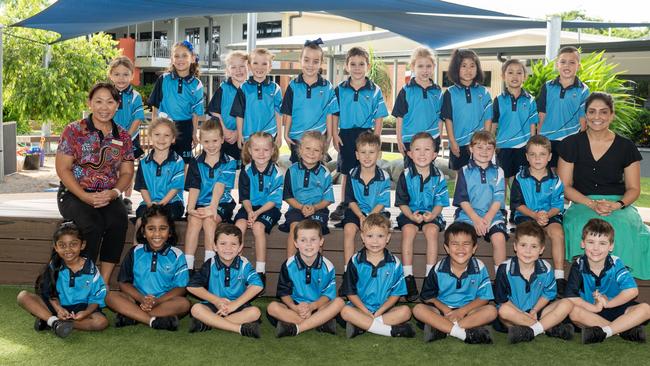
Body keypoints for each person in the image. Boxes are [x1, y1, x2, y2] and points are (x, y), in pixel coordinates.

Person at [558, 92, 650, 279]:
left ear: (611, 115)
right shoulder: (571, 144)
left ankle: (619, 281)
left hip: (618, 204)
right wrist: (591, 204)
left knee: (624, 226)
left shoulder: (626, 146)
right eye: (592, 112)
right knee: (581, 225)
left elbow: (634, 189)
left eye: (603, 112)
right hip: (582, 203)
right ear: (585, 115)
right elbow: (565, 186)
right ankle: (586, 281)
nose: (597, 117)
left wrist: (617, 205)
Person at [56, 82, 134, 285]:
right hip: (74, 193)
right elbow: (63, 169)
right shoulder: (73, 130)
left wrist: (114, 193)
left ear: (117, 104)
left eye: (110, 102)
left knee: (119, 220)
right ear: (90, 103)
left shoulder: (123, 135)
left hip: (108, 194)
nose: (104, 107)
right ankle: (84, 280)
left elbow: (127, 172)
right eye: (98, 101)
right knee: (92, 224)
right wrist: (84, 196)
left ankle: (103, 283)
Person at [105, 205, 190, 331]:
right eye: (151, 229)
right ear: (143, 232)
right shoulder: (135, 252)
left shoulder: (177, 255)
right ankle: (152, 321)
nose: (157, 234)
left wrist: (157, 301)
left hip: (163, 302)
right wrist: (141, 299)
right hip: (136, 300)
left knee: (184, 304)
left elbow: (181, 288)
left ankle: (132, 316)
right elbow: (123, 283)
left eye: (163, 228)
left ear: (170, 232)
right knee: (110, 296)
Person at [17, 222, 108, 338]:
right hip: (57, 307)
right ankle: (54, 321)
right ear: (56, 247)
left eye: (73, 244)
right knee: (23, 296)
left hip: (81, 309)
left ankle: (54, 322)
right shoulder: (54, 266)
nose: (68, 250)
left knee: (101, 322)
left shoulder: (91, 269)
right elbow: (48, 292)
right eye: (62, 245)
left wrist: (86, 313)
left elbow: (96, 298)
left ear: (82, 245)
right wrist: (59, 309)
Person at [566, 219, 650, 344]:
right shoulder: (578, 265)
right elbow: (571, 297)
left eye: (602, 243)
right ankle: (623, 329)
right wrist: (595, 307)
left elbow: (632, 291)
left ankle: (606, 332)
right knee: (573, 312)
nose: (596, 248)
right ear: (582, 243)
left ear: (611, 246)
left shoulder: (616, 263)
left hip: (616, 307)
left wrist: (608, 303)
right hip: (590, 311)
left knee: (646, 309)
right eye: (590, 242)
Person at [412, 222, 496, 344]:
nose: (460, 248)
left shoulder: (480, 267)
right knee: (418, 309)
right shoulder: (438, 268)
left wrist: (461, 311)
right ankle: (462, 333)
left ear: (474, 248)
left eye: (466, 244)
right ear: (447, 248)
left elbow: (484, 298)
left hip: (468, 312)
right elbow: (428, 296)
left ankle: (442, 328)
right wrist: (446, 310)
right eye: (455, 244)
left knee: (491, 311)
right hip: (442, 311)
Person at [330, 46, 388, 220]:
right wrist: (334, 133)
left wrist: (376, 138)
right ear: (347, 66)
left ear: (367, 67)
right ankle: (345, 203)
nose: (357, 68)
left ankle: (369, 203)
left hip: (366, 134)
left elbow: (379, 116)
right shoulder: (340, 89)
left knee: (366, 167)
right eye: (353, 64)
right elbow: (334, 113)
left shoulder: (374, 90)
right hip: (346, 134)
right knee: (347, 170)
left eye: (361, 64)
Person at [494, 221, 575, 344]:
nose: (528, 251)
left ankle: (531, 330)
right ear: (515, 246)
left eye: (534, 246)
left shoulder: (546, 269)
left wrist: (535, 310)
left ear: (541, 249)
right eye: (523, 245)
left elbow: (548, 294)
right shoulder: (504, 269)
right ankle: (547, 328)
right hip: (514, 313)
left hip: (536, 312)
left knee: (567, 303)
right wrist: (522, 314)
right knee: (503, 311)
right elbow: (502, 300)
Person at [339, 213, 415, 339]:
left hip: (383, 311)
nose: (375, 241)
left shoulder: (394, 263)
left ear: (388, 238)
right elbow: (350, 293)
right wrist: (365, 311)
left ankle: (361, 326)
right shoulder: (355, 261)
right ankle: (390, 331)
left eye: (380, 236)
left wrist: (379, 312)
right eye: (370, 236)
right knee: (345, 311)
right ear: (363, 237)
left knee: (406, 311)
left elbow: (396, 294)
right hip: (359, 309)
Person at [395, 132, 449, 302]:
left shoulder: (438, 176)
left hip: (431, 213)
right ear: (409, 154)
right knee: (408, 231)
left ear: (434, 155)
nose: (422, 153)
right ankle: (408, 278)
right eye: (417, 149)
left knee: (432, 232)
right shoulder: (405, 175)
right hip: (409, 213)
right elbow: (402, 202)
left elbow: (440, 201)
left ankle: (429, 278)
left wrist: (432, 214)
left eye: (427, 150)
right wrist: (411, 215)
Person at [267, 219, 345, 337]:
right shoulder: (289, 265)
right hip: (296, 307)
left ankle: (297, 327)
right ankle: (319, 322)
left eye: (313, 240)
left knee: (339, 302)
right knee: (272, 307)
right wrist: (295, 307)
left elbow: (328, 295)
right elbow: (284, 293)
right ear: (296, 243)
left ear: (321, 242)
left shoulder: (328, 266)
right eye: (303, 240)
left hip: (318, 306)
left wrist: (312, 306)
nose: (308, 244)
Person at [187, 224, 263, 338]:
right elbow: (191, 286)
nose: (228, 248)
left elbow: (258, 285)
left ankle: (209, 323)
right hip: (214, 305)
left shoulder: (244, 264)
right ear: (215, 246)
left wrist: (233, 305)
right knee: (196, 309)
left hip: (238, 305)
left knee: (255, 312)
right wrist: (217, 301)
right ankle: (238, 328)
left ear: (240, 247)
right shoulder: (210, 263)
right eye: (223, 244)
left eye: (233, 244)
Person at [511, 135, 566, 292]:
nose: (537, 158)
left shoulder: (555, 180)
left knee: (557, 232)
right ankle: (524, 274)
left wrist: (547, 215)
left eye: (542, 154)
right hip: (526, 215)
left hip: (550, 214)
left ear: (549, 157)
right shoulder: (520, 178)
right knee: (528, 236)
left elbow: (558, 205)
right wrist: (535, 215)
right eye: (533, 154)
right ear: (527, 156)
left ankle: (559, 275)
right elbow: (517, 204)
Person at [184, 119, 238, 271]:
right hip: (201, 203)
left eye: (215, 140)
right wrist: (191, 208)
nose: (211, 145)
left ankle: (209, 265)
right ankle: (188, 267)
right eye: (206, 141)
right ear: (200, 141)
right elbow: (194, 186)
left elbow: (220, 186)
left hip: (221, 203)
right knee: (193, 220)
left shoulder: (230, 161)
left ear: (222, 140)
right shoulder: (196, 161)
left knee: (209, 220)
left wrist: (213, 208)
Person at [234, 132, 284, 288]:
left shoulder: (277, 172)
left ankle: (261, 271)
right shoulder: (246, 170)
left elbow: (273, 201)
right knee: (239, 226)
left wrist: (257, 213)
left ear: (272, 150)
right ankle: (237, 266)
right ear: (249, 151)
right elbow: (245, 198)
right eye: (257, 150)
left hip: (269, 208)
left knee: (257, 226)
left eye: (266, 149)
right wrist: (250, 211)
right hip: (250, 207)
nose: (261, 154)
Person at [453, 131, 508, 269]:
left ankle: (501, 279)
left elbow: (498, 199)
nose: (484, 151)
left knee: (499, 239)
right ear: (471, 148)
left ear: (494, 151)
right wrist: (476, 219)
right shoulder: (464, 171)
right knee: (463, 240)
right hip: (468, 215)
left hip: (492, 215)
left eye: (489, 148)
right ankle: (463, 274)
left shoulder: (499, 171)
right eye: (479, 147)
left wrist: (488, 219)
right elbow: (463, 200)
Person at [282, 38, 339, 163]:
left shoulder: (327, 87)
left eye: (315, 61)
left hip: (319, 139)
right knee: (298, 173)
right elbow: (288, 113)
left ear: (321, 63)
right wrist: (286, 134)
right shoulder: (293, 86)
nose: (310, 65)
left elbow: (330, 113)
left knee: (317, 174)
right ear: (300, 60)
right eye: (306, 60)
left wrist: (329, 136)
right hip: (297, 139)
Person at [148, 40, 205, 164]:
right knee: (162, 161)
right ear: (172, 59)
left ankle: (181, 184)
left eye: (184, 55)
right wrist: (154, 129)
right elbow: (155, 107)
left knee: (184, 163)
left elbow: (195, 113)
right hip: (164, 126)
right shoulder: (163, 79)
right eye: (176, 56)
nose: (180, 59)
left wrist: (194, 133)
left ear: (192, 58)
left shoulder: (197, 84)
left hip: (185, 129)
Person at [280, 131, 334, 257]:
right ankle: (290, 265)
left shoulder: (325, 173)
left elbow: (328, 199)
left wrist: (314, 208)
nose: (311, 153)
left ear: (322, 154)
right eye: (308, 148)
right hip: (296, 208)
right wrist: (301, 207)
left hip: (318, 209)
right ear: (300, 150)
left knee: (316, 231)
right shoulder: (292, 170)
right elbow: (288, 196)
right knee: (295, 228)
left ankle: (316, 266)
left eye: (316, 150)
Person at [340, 132, 391, 265]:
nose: (367, 156)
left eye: (371, 152)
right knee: (349, 229)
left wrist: (369, 218)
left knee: (377, 232)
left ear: (379, 154)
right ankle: (348, 270)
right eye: (363, 152)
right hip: (357, 211)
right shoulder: (352, 174)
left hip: (377, 212)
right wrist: (361, 216)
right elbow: (350, 200)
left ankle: (376, 265)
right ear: (357, 155)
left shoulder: (384, 176)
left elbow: (382, 202)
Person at [537, 46, 590, 169]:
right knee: (548, 175)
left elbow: (583, 119)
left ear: (579, 66)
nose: (567, 66)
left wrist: (581, 143)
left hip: (570, 140)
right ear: (557, 65)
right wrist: (539, 138)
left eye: (572, 62)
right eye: (563, 62)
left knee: (565, 176)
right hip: (547, 139)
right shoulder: (547, 86)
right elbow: (541, 114)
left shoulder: (583, 90)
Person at [133, 118, 185, 240]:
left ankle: (165, 251)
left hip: (172, 203)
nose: (161, 139)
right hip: (149, 202)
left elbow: (175, 188)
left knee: (163, 220)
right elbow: (143, 187)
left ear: (173, 139)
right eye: (157, 134)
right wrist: (151, 204)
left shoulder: (178, 161)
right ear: (150, 136)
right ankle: (137, 252)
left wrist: (160, 205)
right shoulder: (144, 162)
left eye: (166, 135)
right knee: (140, 221)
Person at [392, 46, 443, 169]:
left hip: (432, 138)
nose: (425, 70)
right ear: (413, 67)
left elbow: (440, 117)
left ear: (434, 67)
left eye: (428, 66)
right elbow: (400, 117)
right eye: (420, 66)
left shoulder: (437, 91)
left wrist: (439, 138)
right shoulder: (406, 90)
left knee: (429, 173)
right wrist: (399, 140)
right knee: (411, 173)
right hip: (410, 139)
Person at [441, 48, 492, 171]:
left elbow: (488, 118)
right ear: (456, 69)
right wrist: (452, 141)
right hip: (459, 144)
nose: (468, 70)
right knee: (461, 177)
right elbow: (448, 119)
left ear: (477, 69)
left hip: (479, 144)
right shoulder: (450, 93)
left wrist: (485, 142)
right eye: (463, 66)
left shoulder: (484, 92)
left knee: (480, 175)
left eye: (472, 66)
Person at [108, 56, 145, 213]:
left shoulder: (135, 96)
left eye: (125, 74)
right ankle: (116, 197)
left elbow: (138, 118)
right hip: (111, 139)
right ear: (111, 75)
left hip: (130, 139)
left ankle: (127, 200)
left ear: (131, 75)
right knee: (113, 168)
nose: (121, 78)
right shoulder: (107, 94)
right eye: (117, 74)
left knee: (128, 169)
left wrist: (127, 137)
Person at [491, 59, 538, 183]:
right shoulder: (498, 100)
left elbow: (532, 125)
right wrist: (491, 144)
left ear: (525, 77)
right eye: (510, 72)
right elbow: (493, 125)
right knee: (502, 181)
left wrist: (531, 146)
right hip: (503, 147)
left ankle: (516, 203)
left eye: (519, 73)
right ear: (503, 76)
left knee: (519, 182)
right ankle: (501, 203)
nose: (514, 76)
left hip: (523, 147)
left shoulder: (530, 100)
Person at [231, 48, 282, 148]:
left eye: (264, 64)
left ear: (270, 66)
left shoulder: (275, 88)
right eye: (255, 63)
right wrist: (240, 135)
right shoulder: (243, 88)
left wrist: (279, 136)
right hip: (248, 137)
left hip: (270, 136)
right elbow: (239, 114)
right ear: (249, 66)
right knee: (248, 163)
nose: (260, 67)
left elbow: (278, 113)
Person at [207, 51, 249, 161]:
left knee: (244, 168)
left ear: (248, 67)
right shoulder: (224, 88)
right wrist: (224, 130)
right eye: (233, 67)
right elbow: (214, 111)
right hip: (225, 136)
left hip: (245, 136)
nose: (238, 70)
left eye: (242, 66)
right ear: (228, 71)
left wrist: (238, 132)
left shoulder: (251, 90)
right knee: (225, 166)